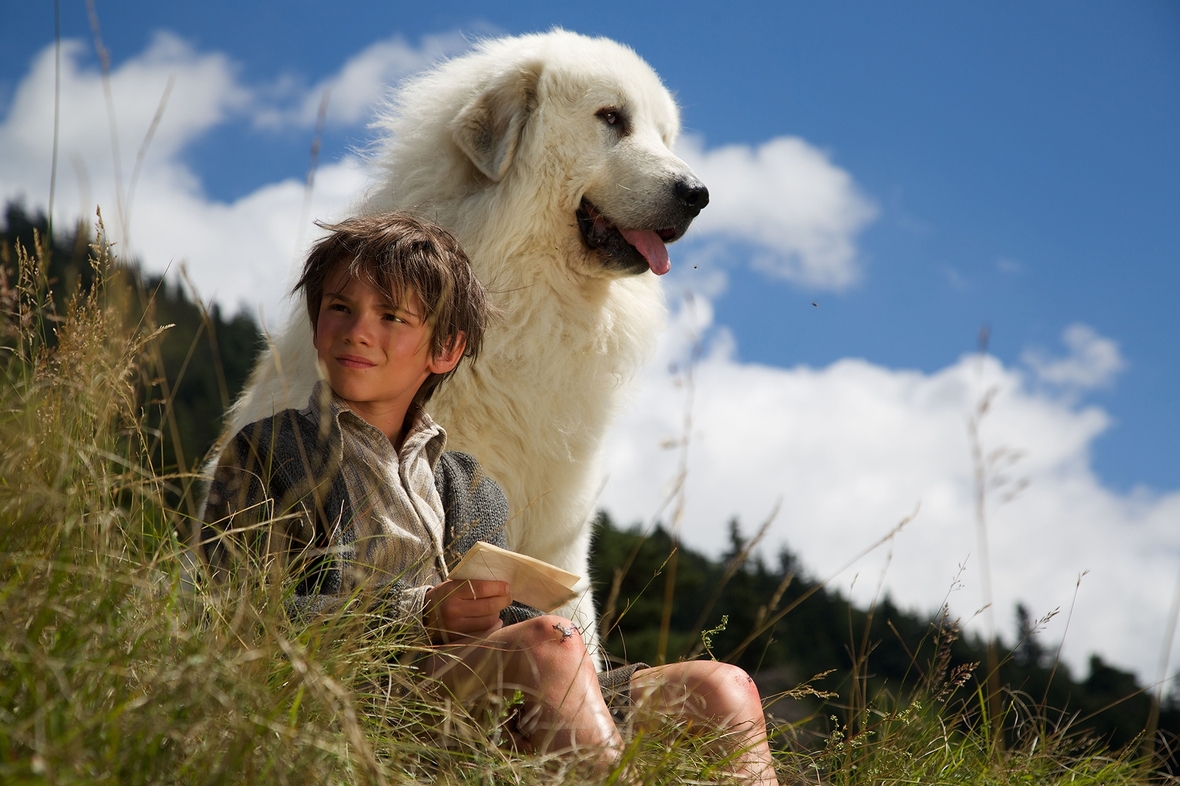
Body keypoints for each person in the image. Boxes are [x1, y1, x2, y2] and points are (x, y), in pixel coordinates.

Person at [199, 212, 779, 783]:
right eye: (339, 308)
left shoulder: (469, 485)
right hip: (367, 700)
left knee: (722, 687)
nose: (358, 331)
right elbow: (233, 616)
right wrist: (418, 612)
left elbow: (521, 626)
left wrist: (498, 614)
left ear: (445, 350)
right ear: (316, 318)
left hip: (489, 692)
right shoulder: (269, 451)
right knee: (550, 645)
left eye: (393, 316)